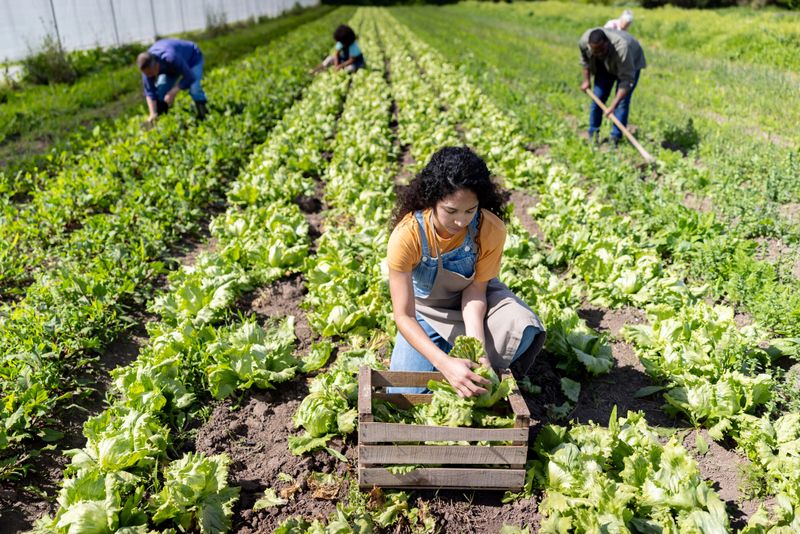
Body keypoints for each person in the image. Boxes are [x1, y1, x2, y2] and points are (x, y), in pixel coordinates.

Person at [387, 146, 546, 397]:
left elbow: (474, 294)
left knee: (523, 326)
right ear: (432, 201)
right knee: (403, 391)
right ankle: (449, 362)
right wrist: (444, 364)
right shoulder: (408, 236)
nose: (461, 221)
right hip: (427, 312)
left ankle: (465, 365)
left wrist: (478, 352)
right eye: (451, 211)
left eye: (469, 211)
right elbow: (404, 316)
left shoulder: (490, 228)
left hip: (474, 304)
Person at [579, 28, 646, 145]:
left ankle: (615, 138)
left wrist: (612, 106)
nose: (599, 54)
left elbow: (626, 81)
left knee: (622, 103)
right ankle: (593, 135)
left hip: (629, 64)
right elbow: (585, 60)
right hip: (605, 67)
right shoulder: (584, 42)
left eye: (601, 50)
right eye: (596, 52)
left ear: (607, 43)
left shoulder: (622, 48)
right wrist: (586, 80)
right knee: (598, 98)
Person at [137, 39, 208, 123]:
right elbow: (150, 92)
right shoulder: (146, 68)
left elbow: (190, 77)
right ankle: (161, 121)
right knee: (161, 91)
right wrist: (152, 113)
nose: (149, 76)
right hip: (171, 68)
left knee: (194, 88)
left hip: (192, 58)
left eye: (150, 73)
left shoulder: (170, 57)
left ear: (156, 65)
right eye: (146, 74)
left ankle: (203, 115)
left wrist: (173, 91)